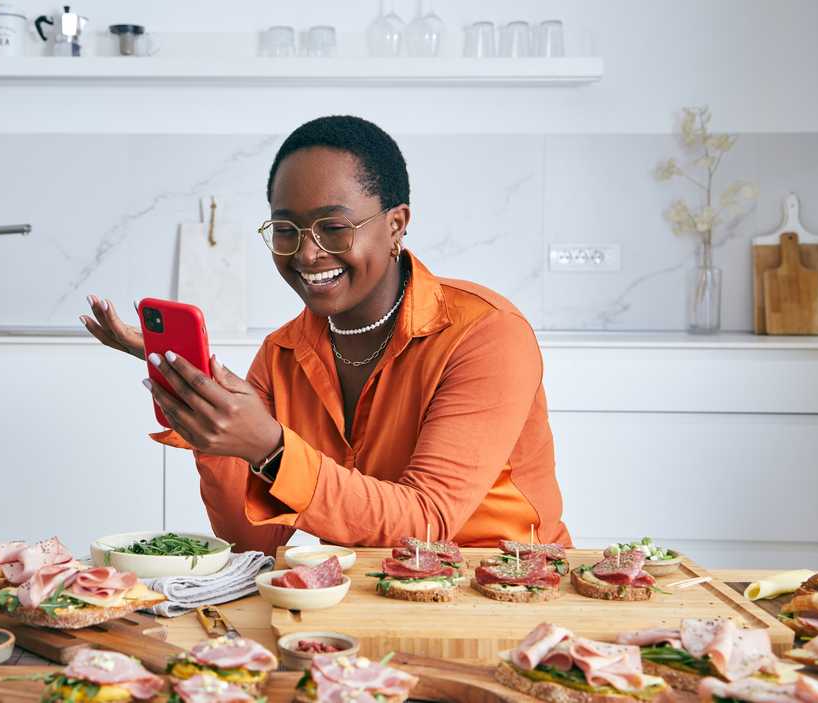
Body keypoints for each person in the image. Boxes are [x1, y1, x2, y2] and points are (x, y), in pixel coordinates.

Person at [81, 115, 569, 555]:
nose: (307, 254)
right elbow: (253, 539)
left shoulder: (485, 334)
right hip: (361, 595)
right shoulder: (283, 353)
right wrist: (208, 417)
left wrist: (270, 449)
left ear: (396, 225)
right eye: (285, 229)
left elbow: (427, 522)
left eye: (334, 227)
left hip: (504, 590)